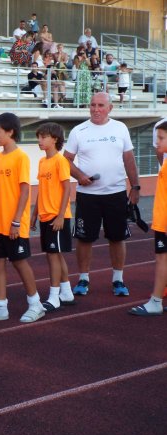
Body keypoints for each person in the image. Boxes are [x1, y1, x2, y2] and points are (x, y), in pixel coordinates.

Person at [64, 92, 140, 297]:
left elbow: (129, 159)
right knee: (84, 238)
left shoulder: (120, 128)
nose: (96, 109)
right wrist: (79, 175)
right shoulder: (79, 131)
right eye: (92, 105)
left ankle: (118, 279)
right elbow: (66, 160)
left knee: (117, 238)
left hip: (115, 193)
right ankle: (83, 278)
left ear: (110, 108)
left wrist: (136, 187)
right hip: (87, 196)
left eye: (100, 105)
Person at [0, 112, 45, 324]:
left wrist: (16, 221)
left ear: (10, 132)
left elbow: (25, 191)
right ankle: (0, 308)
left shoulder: (21, 157)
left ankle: (36, 305)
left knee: (19, 262)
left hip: (14, 223)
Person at [29, 123, 75, 311]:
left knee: (53, 256)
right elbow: (42, 190)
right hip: (45, 215)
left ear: (54, 139)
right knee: (54, 255)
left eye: (43, 137)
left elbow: (67, 189)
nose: (39, 141)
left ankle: (54, 296)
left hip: (57, 216)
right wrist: (34, 213)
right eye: (39, 137)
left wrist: (60, 215)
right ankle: (66, 291)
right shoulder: (42, 162)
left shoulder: (60, 161)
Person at [128, 120, 167, 316]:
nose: (157, 142)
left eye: (161, 138)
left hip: (165, 222)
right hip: (162, 219)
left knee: (162, 259)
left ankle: (156, 301)